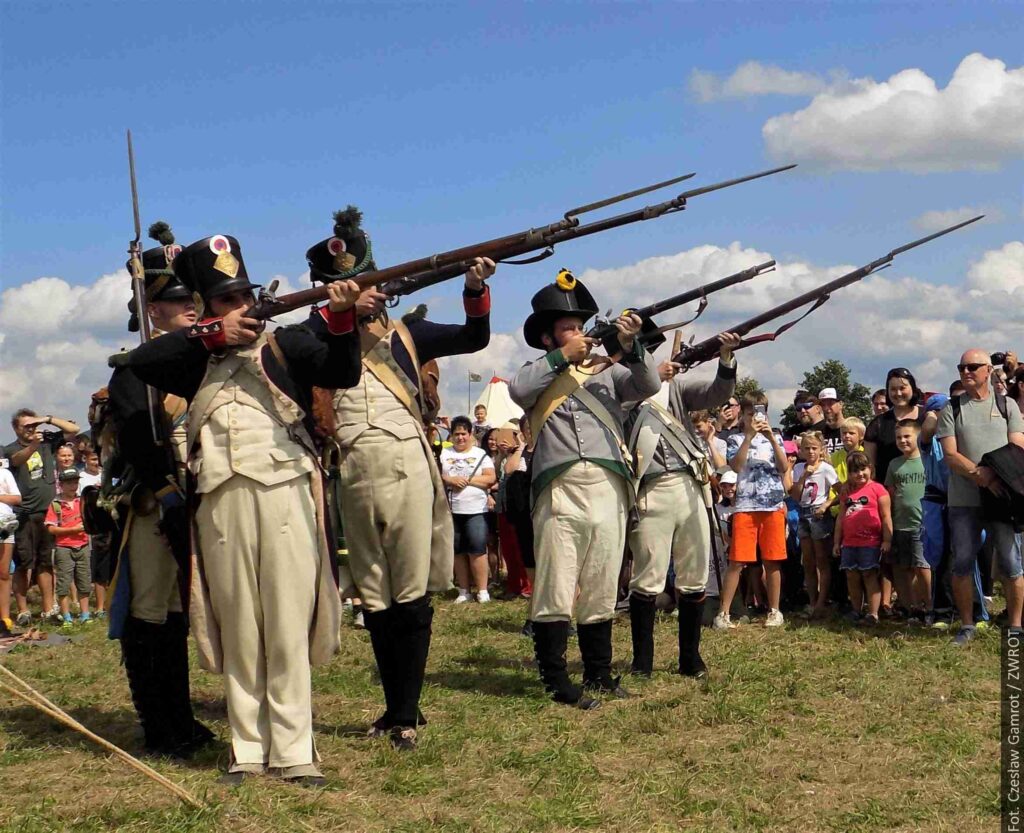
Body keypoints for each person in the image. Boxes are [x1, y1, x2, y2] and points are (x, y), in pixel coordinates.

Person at [122, 231, 362, 784]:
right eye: (226, 299)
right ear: (204, 307)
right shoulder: (193, 354)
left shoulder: (286, 344)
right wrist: (213, 334)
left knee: (285, 620)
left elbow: (342, 371)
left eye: (243, 297)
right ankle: (247, 749)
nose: (241, 307)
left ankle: (296, 748)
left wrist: (343, 318)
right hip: (221, 499)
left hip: (285, 490)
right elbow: (142, 361)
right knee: (238, 623)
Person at [303, 207, 494, 750]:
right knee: (375, 595)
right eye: (354, 285)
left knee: (410, 591)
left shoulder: (406, 334)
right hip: (355, 471)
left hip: (410, 466)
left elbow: (473, 337)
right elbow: (312, 349)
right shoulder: (315, 333)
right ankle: (395, 703)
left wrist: (474, 286)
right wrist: (341, 314)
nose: (370, 293)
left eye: (372, 282)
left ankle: (405, 711)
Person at [510, 269, 659, 708]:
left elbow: (649, 385)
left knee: (600, 582)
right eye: (566, 330)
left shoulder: (606, 374)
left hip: (609, 483)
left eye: (579, 327)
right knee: (556, 583)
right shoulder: (537, 371)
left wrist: (631, 346)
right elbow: (520, 390)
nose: (576, 334)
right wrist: (563, 359)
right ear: (548, 339)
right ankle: (556, 680)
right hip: (560, 486)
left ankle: (599, 673)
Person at [94, 223, 216, 757]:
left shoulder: (203, 363)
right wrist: (167, 496)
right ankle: (158, 725)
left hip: (193, 505)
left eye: (192, 299)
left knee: (174, 615)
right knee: (150, 615)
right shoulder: (134, 372)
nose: (189, 307)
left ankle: (181, 718)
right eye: (174, 301)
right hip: (151, 507)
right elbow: (142, 448)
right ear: (152, 311)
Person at [624, 330, 740, 678]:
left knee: (693, 577)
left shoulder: (676, 388)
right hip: (649, 487)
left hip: (691, 486)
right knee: (647, 578)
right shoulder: (620, 391)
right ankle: (642, 661)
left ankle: (690, 659)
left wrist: (725, 357)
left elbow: (718, 393)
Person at [936, 349, 1024, 646]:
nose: (966, 371)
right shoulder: (952, 409)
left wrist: (995, 477)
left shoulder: (1006, 404)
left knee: (1012, 564)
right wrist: (980, 475)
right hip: (964, 498)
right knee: (961, 562)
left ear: (988, 370)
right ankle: (967, 624)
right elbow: (950, 454)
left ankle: (1014, 626)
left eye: (973, 366)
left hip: (1002, 497)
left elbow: (1017, 446)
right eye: (961, 367)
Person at [714, 393, 789, 630]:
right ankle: (723, 614)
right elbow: (735, 467)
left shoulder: (774, 436)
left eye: (759, 413)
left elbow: (784, 467)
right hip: (746, 505)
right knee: (737, 560)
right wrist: (749, 437)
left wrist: (772, 439)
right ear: (743, 416)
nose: (755, 418)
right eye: (750, 414)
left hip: (772, 505)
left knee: (773, 560)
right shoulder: (735, 439)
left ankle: (775, 610)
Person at [4, 409, 80, 625]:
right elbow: (17, 461)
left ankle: (48, 609)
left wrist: (46, 419)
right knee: (23, 563)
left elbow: (73, 430)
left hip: (47, 513)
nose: (30, 430)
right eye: (25, 426)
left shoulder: (48, 442)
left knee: (46, 562)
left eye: (32, 426)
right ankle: (23, 610)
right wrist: (33, 446)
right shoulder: (9, 449)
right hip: (23, 514)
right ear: (15, 428)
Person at [864, 368, 926, 616]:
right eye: (893, 389)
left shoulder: (926, 418)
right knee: (893, 554)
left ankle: (926, 604)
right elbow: (869, 464)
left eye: (903, 387)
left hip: (924, 493)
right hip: (888, 494)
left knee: (923, 556)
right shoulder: (879, 423)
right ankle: (903, 603)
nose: (898, 392)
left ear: (912, 387)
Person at [441, 416, 497, 603]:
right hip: (452, 510)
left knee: (477, 550)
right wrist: (450, 480)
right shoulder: (444, 453)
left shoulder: (481, 454)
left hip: (476, 510)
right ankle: (464, 590)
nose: (460, 438)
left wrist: (467, 480)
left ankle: (482, 590)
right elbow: (439, 475)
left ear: (470, 434)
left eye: (464, 433)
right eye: (456, 434)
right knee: (458, 551)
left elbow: (490, 479)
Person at [833, 452, 891, 625]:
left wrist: (887, 540)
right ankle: (856, 610)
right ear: (849, 474)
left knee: (869, 575)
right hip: (849, 543)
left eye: (863, 469)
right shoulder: (847, 491)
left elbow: (886, 516)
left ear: (870, 468)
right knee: (852, 576)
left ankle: (873, 613)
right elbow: (841, 518)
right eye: (854, 471)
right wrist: (837, 542)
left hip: (871, 542)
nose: (860, 474)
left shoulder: (878, 489)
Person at [885, 419, 931, 622]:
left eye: (907, 436)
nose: (902, 440)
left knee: (922, 567)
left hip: (923, 523)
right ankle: (909, 606)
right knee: (902, 567)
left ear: (918, 436)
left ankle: (929, 606)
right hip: (900, 523)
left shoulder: (927, 460)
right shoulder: (894, 464)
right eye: (898, 437)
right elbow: (891, 494)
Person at [790, 431, 838, 619]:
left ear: (820, 450)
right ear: (801, 450)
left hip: (818, 513)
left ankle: (822, 602)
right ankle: (812, 601)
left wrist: (827, 504)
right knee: (808, 560)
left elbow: (840, 491)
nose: (810, 452)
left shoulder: (826, 468)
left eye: (814, 448)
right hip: (803, 512)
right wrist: (803, 476)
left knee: (821, 560)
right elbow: (795, 494)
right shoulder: (799, 467)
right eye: (807, 448)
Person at [44, 468, 91, 626]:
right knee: (63, 583)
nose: (73, 486)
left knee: (84, 581)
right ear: (61, 485)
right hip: (64, 547)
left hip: (83, 545)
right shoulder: (56, 504)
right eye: (69, 483)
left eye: (75, 482)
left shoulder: (83, 501)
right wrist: (72, 530)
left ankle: (85, 614)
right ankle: (67, 616)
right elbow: (50, 528)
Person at [0, 459, 22, 636]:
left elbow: (17, 498)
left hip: (6, 525)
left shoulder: (5, 474)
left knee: (4, 573)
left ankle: (5, 618)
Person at [816, 388, 844, 455]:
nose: (826, 408)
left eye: (830, 404)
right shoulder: (818, 432)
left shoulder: (853, 429)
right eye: (823, 405)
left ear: (841, 404)